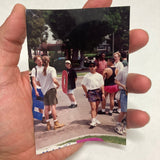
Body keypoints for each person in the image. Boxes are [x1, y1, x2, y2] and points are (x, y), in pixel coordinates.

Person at [0, 2, 151, 160]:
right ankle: (65, 120)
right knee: (55, 106)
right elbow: (69, 82)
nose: (92, 67)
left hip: (62, 90)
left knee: (51, 106)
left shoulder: (52, 70)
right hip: (63, 90)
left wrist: (44, 86)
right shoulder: (54, 70)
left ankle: (57, 120)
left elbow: (39, 80)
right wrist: (61, 86)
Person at [36, 56, 64, 131]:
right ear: (49, 61)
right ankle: (56, 123)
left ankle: (48, 124)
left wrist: (44, 85)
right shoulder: (51, 69)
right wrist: (58, 85)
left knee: (46, 107)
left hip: (44, 91)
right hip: (51, 89)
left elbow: (37, 83)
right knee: (53, 107)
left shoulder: (39, 71)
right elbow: (54, 80)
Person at [82, 61, 105, 128]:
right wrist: (86, 93)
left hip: (98, 91)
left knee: (97, 107)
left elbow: (102, 85)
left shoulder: (99, 76)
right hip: (91, 92)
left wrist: (103, 93)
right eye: (90, 66)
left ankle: (95, 118)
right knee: (93, 107)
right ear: (89, 68)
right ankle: (93, 121)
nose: (92, 68)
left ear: (96, 67)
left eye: (93, 66)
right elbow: (83, 85)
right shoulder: (87, 76)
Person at [114, 66, 128, 135]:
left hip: (134, 92)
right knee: (124, 110)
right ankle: (118, 125)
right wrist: (123, 86)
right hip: (124, 92)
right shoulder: (123, 70)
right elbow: (116, 81)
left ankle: (126, 124)